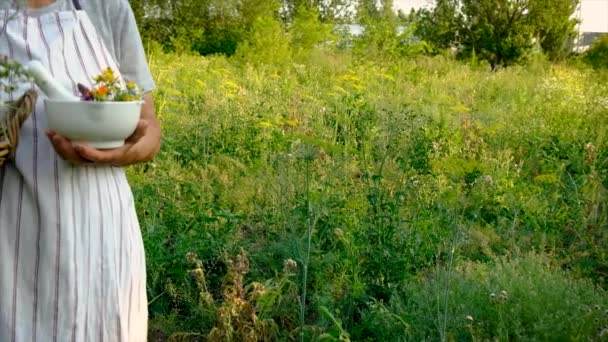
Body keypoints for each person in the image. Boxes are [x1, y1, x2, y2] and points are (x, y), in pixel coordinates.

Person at [0, 0, 161, 341]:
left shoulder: (107, 8)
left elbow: (149, 130)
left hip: (105, 232)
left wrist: (120, 153)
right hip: (18, 237)